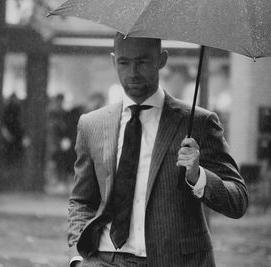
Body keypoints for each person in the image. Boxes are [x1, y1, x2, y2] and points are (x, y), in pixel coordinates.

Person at [68, 33, 249, 267]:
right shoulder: (92, 124)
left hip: (174, 261)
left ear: (161, 59)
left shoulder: (198, 123)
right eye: (124, 62)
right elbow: (82, 200)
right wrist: (77, 258)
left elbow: (238, 200)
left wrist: (198, 175)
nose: (133, 72)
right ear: (113, 61)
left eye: (142, 62)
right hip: (105, 260)